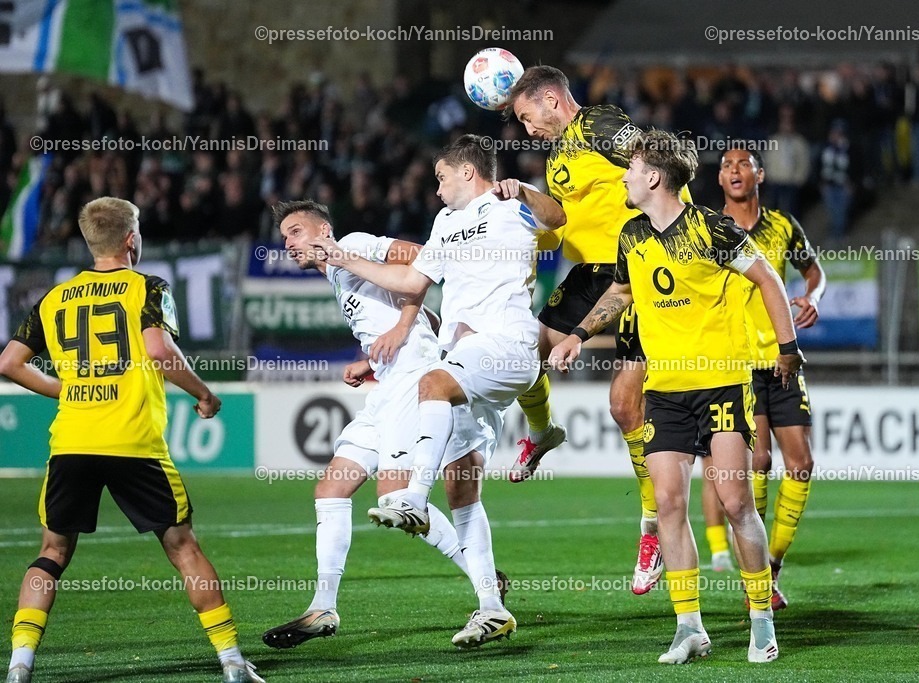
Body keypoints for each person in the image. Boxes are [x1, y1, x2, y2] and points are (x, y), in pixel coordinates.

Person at [549, 130, 803, 664]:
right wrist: (575, 334)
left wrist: (787, 348)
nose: (622, 175)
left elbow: (768, 281)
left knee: (736, 503)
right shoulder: (632, 234)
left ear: (654, 177)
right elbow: (621, 292)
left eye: (630, 168)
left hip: (720, 384)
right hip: (664, 390)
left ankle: (760, 619)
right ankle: (689, 626)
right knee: (668, 503)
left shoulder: (712, 228)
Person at [308, 134, 564, 647]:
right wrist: (341, 258)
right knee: (463, 487)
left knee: (432, 384)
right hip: (470, 358)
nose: (437, 188)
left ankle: (414, 500)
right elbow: (409, 283)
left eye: (442, 178)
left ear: (468, 173)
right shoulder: (445, 224)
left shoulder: (510, 205)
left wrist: (527, 191)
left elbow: (557, 219)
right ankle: (492, 607)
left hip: (508, 345)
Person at [0, 198, 264, 683]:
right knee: (183, 547)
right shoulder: (148, 287)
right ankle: (231, 662)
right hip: (133, 442)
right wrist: (203, 393)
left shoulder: (54, 298)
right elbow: (158, 349)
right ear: (130, 240)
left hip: (73, 441)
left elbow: (9, 363)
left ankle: (20, 664)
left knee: (52, 552)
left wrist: (64, 388)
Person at [260, 200, 505, 649]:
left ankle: (486, 582)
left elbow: (422, 260)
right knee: (331, 489)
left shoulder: (352, 245)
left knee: (396, 499)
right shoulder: (338, 273)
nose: (288, 243)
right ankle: (323, 606)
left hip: (412, 385)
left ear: (324, 230)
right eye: (284, 236)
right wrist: (371, 360)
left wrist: (402, 330)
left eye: (296, 232)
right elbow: (413, 313)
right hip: (387, 386)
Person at [506, 65, 695, 594]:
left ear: (550, 99)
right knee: (528, 351)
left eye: (527, 117)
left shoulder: (598, 124)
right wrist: (520, 204)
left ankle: (652, 528)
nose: (527, 130)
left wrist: (673, 237)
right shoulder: (560, 152)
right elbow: (563, 218)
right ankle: (542, 433)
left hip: (636, 267)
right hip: (591, 269)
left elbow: (664, 164)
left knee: (624, 406)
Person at [701, 148, 827, 605]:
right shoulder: (710, 227)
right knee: (757, 464)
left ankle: (771, 564)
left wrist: (814, 295)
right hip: (738, 364)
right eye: (727, 166)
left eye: (743, 164)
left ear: (760, 174)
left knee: (802, 464)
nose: (734, 171)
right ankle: (755, 576)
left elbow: (814, 271)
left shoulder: (783, 225)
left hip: (784, 361)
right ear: (719, 180)